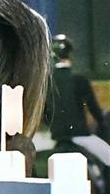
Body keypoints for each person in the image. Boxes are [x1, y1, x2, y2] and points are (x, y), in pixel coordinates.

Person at [46, 34, 110, 167]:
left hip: (57, 139)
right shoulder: (79, 79)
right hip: (81, 137)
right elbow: (95, 110)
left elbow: (44, 115)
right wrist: (102, 126)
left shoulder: (47, 83)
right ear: (69, 54)